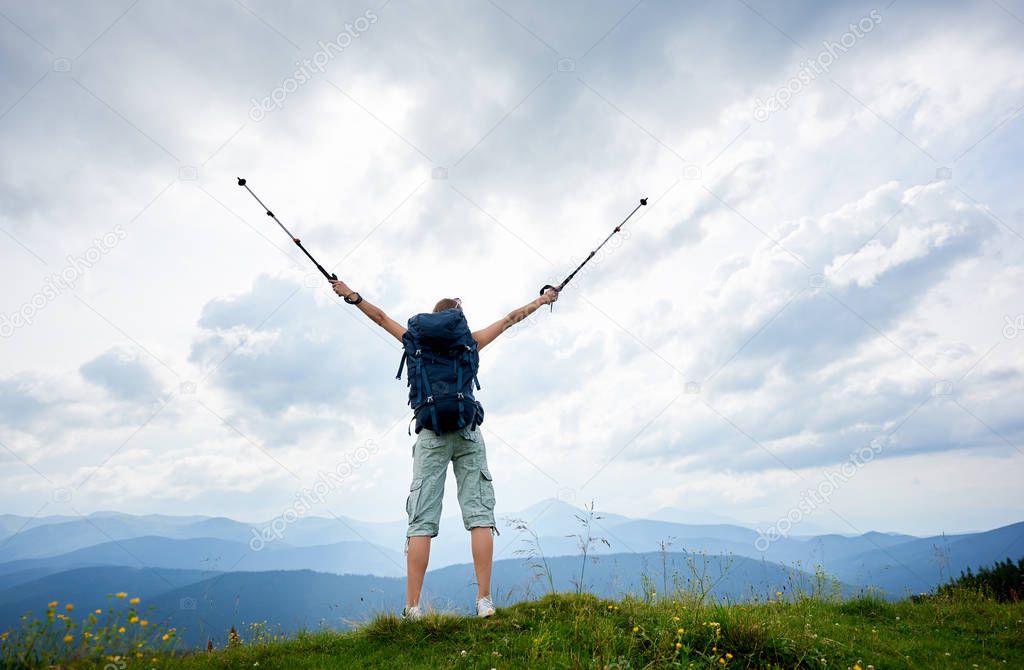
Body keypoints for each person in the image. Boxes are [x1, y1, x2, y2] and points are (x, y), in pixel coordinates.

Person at [330, 279, 559, 619]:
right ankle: (484, 601)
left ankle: (412, 608)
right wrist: (542, 301)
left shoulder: (414, 342)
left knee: (421, 519)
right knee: (479, 515)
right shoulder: (470, 342)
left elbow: (378, 317)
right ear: (457, 319)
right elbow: (511, 318)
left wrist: (351, 295)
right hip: (468, 433)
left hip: (431, 434)